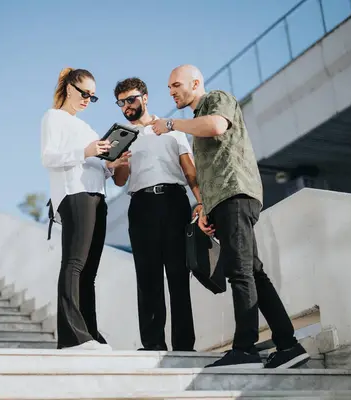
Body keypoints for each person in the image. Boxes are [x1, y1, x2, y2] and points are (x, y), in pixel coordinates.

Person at [148, 64, 310, 368]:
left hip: (236, 196)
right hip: (223, 202)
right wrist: (207, 208)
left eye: (175, 85)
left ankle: (245, 349)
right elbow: (211, 167)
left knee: (240, 273)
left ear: (195, 83)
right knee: (253, 272)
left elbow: (217, 127)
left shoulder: (216, 99)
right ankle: (288, 345)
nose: (171, 92)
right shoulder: (196, 120)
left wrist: (171, 125)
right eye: (169, 87)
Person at [41, 67, 129, 351]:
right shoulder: (53, 117)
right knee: (75, 263)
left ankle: (89, 334)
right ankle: (72, 337)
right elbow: (48, 158)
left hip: (96, 195)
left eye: (93, 97)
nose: (87, 100)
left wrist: (110, 165)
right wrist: (86, 152)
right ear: (69, 88)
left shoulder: (87, 128)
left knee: (89, 271)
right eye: (84, 93)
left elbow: (95, 168)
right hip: (73, 194)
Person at [111, 77, 202, 351]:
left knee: (178, 275)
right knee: (147, 277)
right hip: (140, 206)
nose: (126, 106)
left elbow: (190, 172)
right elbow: (118, 180)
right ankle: (152, 344)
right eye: (121, 102)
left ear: (145, 97)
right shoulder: (120, 135)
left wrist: (202, 203)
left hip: (174, 203)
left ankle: (185, 346)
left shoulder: (173, 130)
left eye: (131, 99)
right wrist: (122, 159)